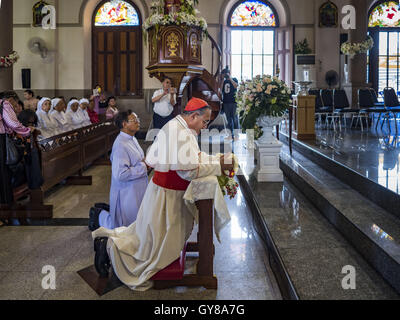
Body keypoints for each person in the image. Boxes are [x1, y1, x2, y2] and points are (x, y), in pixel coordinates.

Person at [92, 97, 234, 290]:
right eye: (205, 121)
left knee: (150, 237)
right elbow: (188, 170)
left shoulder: (178, 125)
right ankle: (110, 247)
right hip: (168, 195)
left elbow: (192, 157)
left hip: (163, 191)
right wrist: (219, 165)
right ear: (193, 116)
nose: (205, 126)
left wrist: (214, 158)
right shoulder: (181, 133)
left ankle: (112, 244)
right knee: (155, 244)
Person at [89, 111, 148, 230]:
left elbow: (137, 160)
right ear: (124, 124)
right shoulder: (121, 145)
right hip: (127, 192)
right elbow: (121, 174)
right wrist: (144, 166)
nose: (138, 122)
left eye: (138, 119)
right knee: (120, 226)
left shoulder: (131, 139)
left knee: (134, 223)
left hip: (136, 188)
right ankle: (98, 215)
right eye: (134, 120)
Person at [0, 91, 34, 227]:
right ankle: (5, 204)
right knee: (3, 172)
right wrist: (27, 131)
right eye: (15, 101)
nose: (15, 105)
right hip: (0, 140)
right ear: (11, 99)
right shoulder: (5, 103)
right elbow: (13, 123)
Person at [221, 67, 239, 138]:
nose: (225, 75)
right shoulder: (224, 81)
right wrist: (222, 79)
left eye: (226, 74)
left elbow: (236, 86)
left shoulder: (234, 79)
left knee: (235, 119)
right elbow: (220, 89)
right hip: (225, 102)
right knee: (228, 119)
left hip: (234, 102)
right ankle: (229, 134)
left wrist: (230, 78)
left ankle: (236, 134)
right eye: (224, 74)